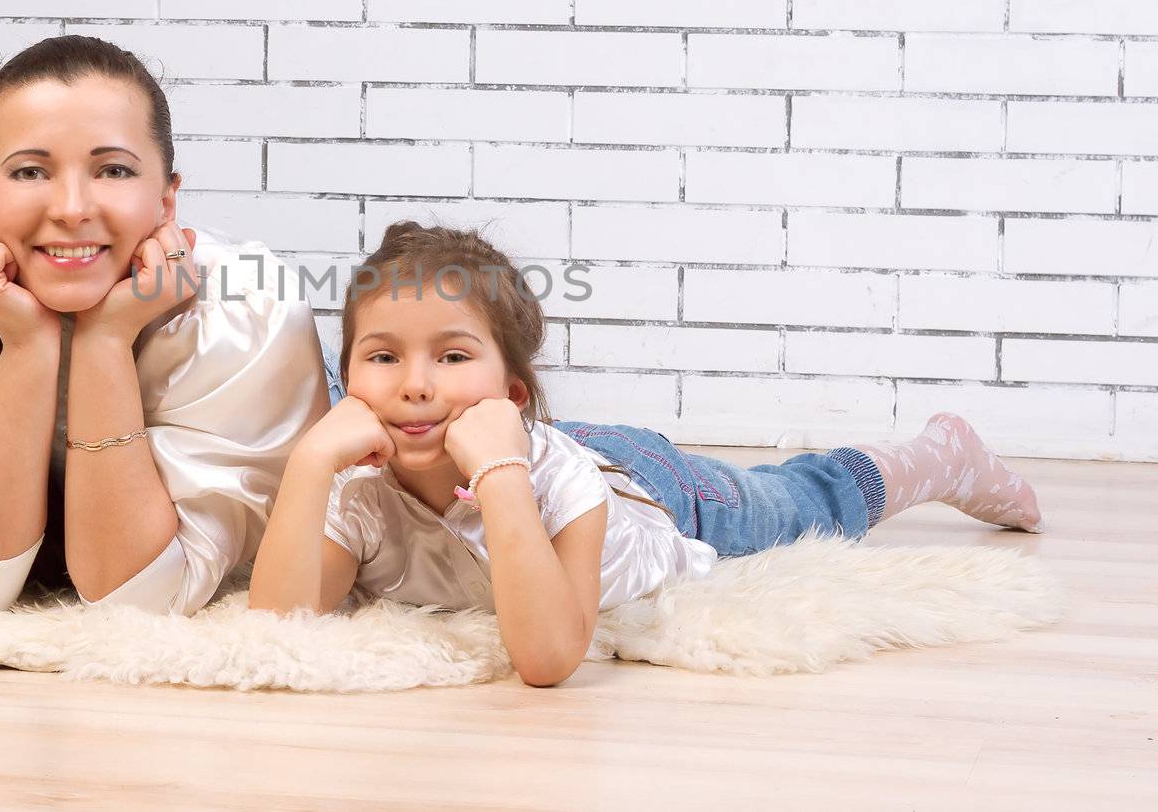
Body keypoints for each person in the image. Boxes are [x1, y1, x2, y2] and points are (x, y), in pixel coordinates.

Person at [247, 221, 1045, 687]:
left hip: (651, 486)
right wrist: (312, 462)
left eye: (452, 357)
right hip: (544, 447)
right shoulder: (357, 489)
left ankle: (945, 454)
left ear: (513, 394)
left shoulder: (563, 482)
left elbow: (549, 655)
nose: (414, 385)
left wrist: (499, 474)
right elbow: (283, 620)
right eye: (383, 357)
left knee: (802, 503)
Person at [0, 35, 329, 614]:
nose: (70, 208)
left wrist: (104, 340)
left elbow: (139, 597)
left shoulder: (246, 315)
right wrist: (28, 342)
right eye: (30, 171)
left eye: (113, 169)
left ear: (166, 201)